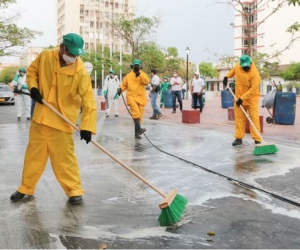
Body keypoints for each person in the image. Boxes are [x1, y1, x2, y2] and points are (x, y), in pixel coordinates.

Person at [10, 33, 97, 205]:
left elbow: (88, 101)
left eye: (76, 54)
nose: (73, 57)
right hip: (41, 118)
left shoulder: (80, 72)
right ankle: (26, 187)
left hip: (62, 121)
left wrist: (87, 126)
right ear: (62, 47)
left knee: (65, 159)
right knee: (33, 156)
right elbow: (32, 72)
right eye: (71, 53)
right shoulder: (45, 56)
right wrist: (33, 88)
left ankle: (74, 190)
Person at [223, 54, 261, 146]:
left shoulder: (255, 74)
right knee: (239, 119)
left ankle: (257, 139)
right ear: (241, 64)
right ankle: (239, 138)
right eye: (244, 67)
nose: (245, 68)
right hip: (238, 98)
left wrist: (242, 98)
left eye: (247, 67)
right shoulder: (238, 66)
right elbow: (233, 71)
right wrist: (226, 77)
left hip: (251, 99)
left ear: (250, 63)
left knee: (254, 119)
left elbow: (253, 90)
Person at [116, 59, 149, 139]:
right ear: (132, 66)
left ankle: (136, 133)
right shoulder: (128, 76)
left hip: (140, 97)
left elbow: (146, 82)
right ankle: (139, 129)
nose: (136, 67)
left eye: (138, 66)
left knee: (139, 116)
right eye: (135, 66)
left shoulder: (143, 74)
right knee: (135, 114)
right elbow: (124, 85)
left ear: (140, 67)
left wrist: (139, 74)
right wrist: (120, 89)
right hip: (131, 97)